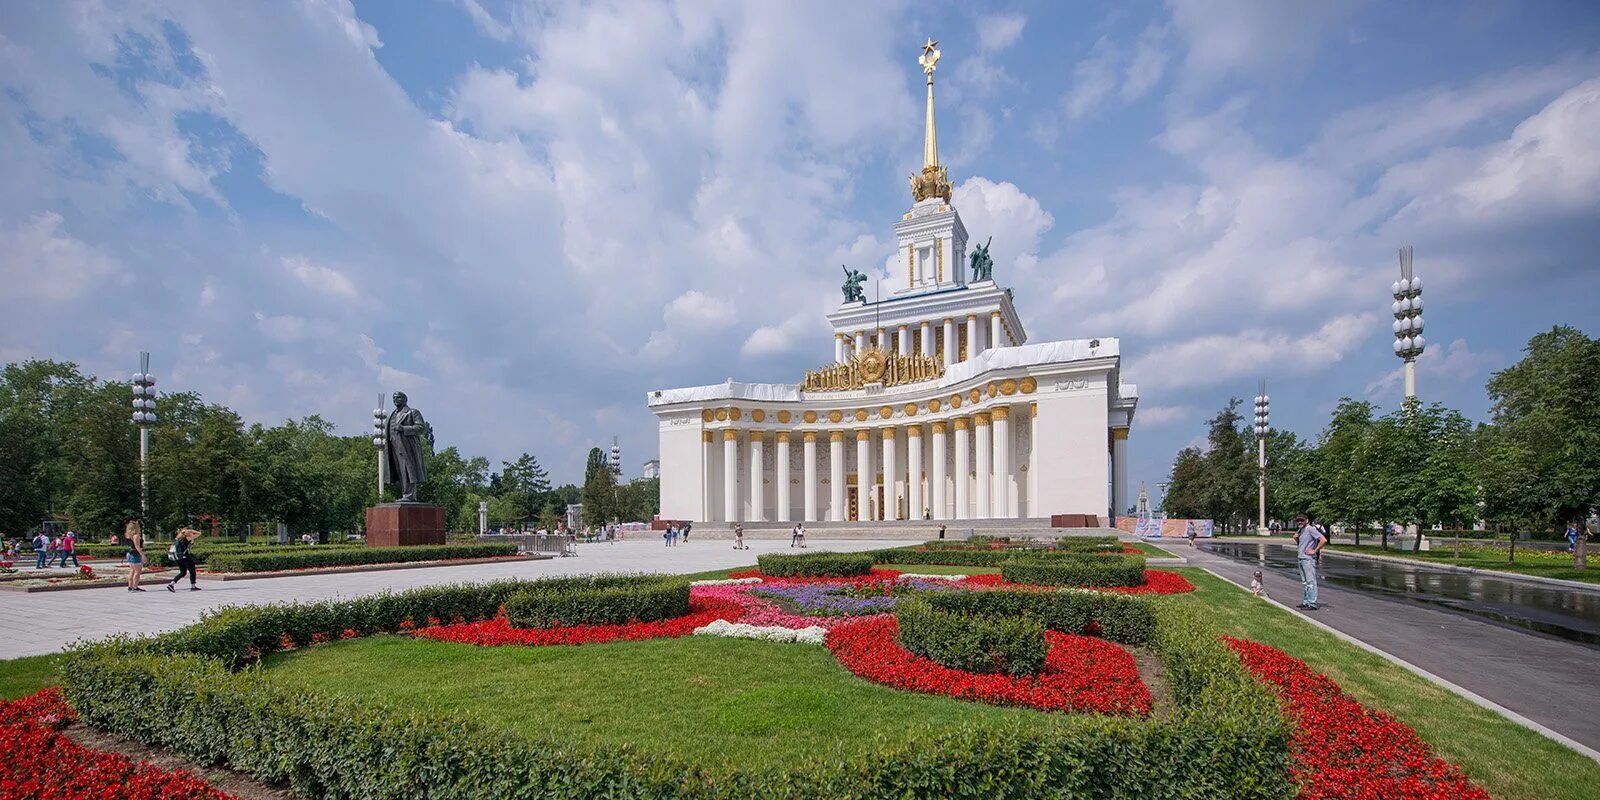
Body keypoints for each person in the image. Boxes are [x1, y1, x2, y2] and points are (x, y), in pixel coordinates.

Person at [1293, 514, 1325, 610]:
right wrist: (1296, 539)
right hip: (1301, 557)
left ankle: (1312, 603)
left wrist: (1315, 550)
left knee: (1310, 581)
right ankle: (1306, 601)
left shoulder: (1311, 529)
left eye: (1302, 520)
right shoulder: (1302, 530)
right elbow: (1302, 543)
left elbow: (1323, 540)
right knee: (1305, 582)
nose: (1300, 522)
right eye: (1298, 520)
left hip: (1308, 559)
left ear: (1307, 520)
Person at [166, 528, 201, 592]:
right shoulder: (186, 538)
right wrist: (192, 530)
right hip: (186, 558)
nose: (191, 533)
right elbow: (199, 534)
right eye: (189, 532)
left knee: (183, 572)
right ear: (186, 533)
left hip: (179, 558)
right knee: (192, 571)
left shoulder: (177, 539)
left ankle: (171, 584)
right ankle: (193, 587)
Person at [124, 519, 147, 592]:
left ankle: (130, 587)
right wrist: (143, 555)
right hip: (136, 554)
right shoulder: (136, 536)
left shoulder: (128, 535)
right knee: (137, 571)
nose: (139, 528)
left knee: (132, 570)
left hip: (130, 553)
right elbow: (137, 546)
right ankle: (135, 587)